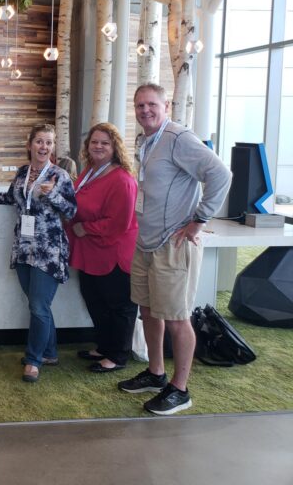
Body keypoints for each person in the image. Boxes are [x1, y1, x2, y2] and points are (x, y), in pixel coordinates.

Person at [117, 83, 231, 415]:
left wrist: (199, 221)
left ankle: (180, 390)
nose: (145, 111)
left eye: (151, 104)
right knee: (148, 311)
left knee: (178, 318)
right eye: (139, 106)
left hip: (174, 242)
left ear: (166, 106)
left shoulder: (178, 138)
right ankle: (156, 373)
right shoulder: (146, 141)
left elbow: (220, 174)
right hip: (147, 241)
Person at [0, 123, 77, 383]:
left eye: (48, 142)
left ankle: (34, 360)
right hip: (24, 248)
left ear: (53, 147)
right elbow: (11, 197)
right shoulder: (24, 172)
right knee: (39, 305)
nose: (43, 146)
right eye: (39, 141)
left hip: (48, 250)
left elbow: (71, 211)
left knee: (38, 306)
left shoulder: (59, 176)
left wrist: (53, 196)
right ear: (30, 144)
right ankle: (49, 352)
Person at [66, 123, 138, 373]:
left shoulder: (122, 179)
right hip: (90, 251)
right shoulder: (89, 171)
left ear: (115, 148)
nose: (98, 146)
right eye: (94, 142)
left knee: (118, 305)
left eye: (105, 143)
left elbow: (120, 222)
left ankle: (118, 355)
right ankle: (104, 346)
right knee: (96, 300)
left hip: (113, 252)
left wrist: (86, 229)